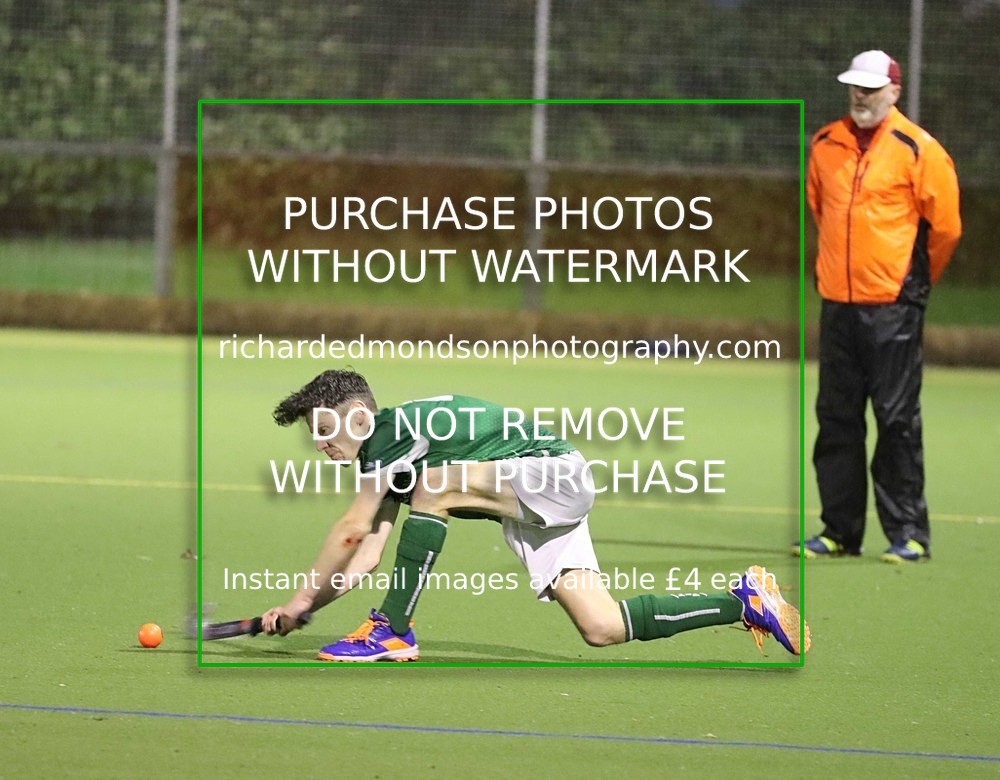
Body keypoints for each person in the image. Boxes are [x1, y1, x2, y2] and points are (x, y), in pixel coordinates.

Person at [260, 369, 809, 661]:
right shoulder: (385, 461)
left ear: (358, 416)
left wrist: (301, 598)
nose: (321, 444)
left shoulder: (389, 434)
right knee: (602, 627)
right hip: (535, 499)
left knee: (434, 486)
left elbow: (350, 529)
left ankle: (393, 632)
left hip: (552, 475)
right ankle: (744, 602)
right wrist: (299, 611)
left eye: (325, 429)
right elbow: (365, 554)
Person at [800, 50, 961, 563]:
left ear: (894, 91)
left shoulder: (919, 148)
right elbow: (820, 210)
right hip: (837, 305)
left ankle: (908, 533)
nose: (861, 96)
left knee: (896, 421)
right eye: (855, 86)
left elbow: (946, 228)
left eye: (870, 88)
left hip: (893, 307)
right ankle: (839, 531)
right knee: (836, 418)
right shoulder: (825, 143)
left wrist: (911, 282)